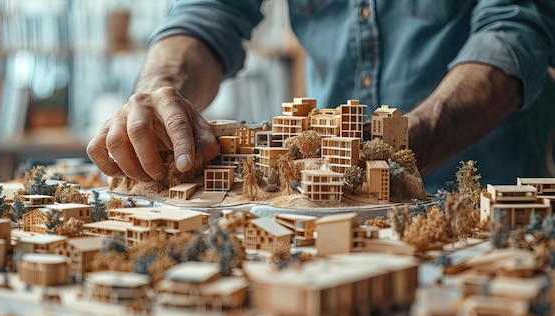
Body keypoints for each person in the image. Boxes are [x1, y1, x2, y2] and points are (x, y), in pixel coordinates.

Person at [87, 1, 555, 192]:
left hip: (483, 196)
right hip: (331, 200)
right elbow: (208, 12)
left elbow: (515, 29)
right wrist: (158, 89)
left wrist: (397, 153)